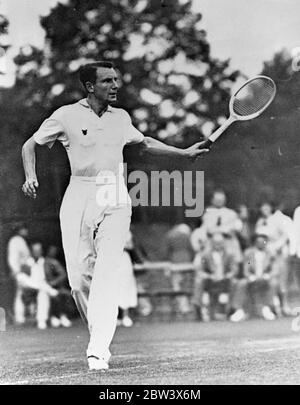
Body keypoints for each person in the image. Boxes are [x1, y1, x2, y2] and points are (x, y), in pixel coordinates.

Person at [21, 61, 209, 370]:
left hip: (115, 193)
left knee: (107, 272)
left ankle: (98, 350)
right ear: (91, 86)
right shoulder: (66, 115)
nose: (115, 85)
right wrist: (30, 176)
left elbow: (144, 143)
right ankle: (98, 335)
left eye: (116, 80)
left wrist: (184, 153)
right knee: (79, 280)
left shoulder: (121, 117)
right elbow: (31, 144)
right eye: (107, 81)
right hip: (79, 192)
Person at [255, 201, 293, 316]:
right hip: (265, 256)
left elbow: (286, 235)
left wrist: (276, 247)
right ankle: (270, 307)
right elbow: (259, 238)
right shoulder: (260, 221)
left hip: (279, 254)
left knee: (282, 282)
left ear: (271, 207)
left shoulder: (279, 218)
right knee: (269, 281)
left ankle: (284, 306)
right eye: (263, 207)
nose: (264, 209)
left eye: (267, 207)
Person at [192, 232, 238, 321]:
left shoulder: (230, 254)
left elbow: (234, 269)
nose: (218, 245)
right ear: (212, 243)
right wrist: (209, 276)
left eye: (220, 242)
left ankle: (231, 310)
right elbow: (199, 270)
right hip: (210, 281)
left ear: (223, 243)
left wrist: (227, 275)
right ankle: (197, 305)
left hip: (224, 280)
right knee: (199, 281)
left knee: (235, 282)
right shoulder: (205, 255)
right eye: (216, 243)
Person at [18, 242, 59, 329]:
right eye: (35, 250)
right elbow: (22, 278)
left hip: (42, 286)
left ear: (41, 251)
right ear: (32, 252)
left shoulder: (46, 262)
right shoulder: (27, 263)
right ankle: (48, 290)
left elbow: (60, 274)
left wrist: (53, 282)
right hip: (30, 288)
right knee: (21, 277)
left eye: (38, 250)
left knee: (43, 292)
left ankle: (42, 320)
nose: (37, 252)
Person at [200, 190, 243, 263]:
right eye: (217, 199)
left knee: (232, 258)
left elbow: (237, 227)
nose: (219, 201)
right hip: (212, 243)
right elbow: (204, 230)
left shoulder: (231, 213)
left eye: (221, 199)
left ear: (225, 200)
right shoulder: (207, 215)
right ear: (212, 200)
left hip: (228, 242)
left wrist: (228, 231)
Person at [242, 233, 276, 320]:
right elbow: (247, 266)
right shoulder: (249, 254)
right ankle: (241, 310)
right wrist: (250, 276)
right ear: (255, 243)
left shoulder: (271, 254)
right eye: (258, 242)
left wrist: (268, 275)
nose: (261, 243)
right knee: (242, 283)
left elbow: (274, 269)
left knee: (273, 283)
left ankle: (268, 308)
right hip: (253, 277)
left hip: (266, 277)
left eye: (263, 242)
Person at [165, 223, 194, 314]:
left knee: (176, 285)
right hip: (187, 261)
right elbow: (191, 249)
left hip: (175, 261)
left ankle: (181, 306)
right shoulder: (187, 236)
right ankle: (186, 306)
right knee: (186, 284)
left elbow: (168, 250)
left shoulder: (170, 235)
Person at [7, 223, 31, 324]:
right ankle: (19, 318)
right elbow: (13, 258)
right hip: (19, 271)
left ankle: (21, 317)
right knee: (20, 294)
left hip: (23, 270)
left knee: (22, 293)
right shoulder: (15, 241)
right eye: (24, 229)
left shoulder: (20, 241)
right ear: (19, 230)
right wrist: (16, 271)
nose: (26, 231)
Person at [45, 245, 73, 328]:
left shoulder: (54, 262)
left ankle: (62, 316)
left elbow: (63, 274)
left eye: (54, 251)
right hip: (43, 287)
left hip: (54, 287)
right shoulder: (42, 261)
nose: (53, 252)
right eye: (51, 250)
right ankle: (53, 317)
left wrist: (54, 282)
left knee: (63, 295)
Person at [117, 230, 138, 328]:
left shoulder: (125, 231)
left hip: (123, 260)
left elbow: (130, 246)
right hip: (110, 259)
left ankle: (126, 316)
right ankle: (116, 317)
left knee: (125, 286)